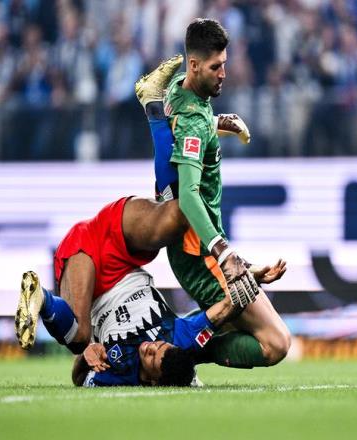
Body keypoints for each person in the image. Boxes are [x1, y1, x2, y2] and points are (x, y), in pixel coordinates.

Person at [135, 18, 291, 368]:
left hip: (198, 249)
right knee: (275, 344)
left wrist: (218, 122)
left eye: (224, 64)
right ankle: (175, 350)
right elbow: (189, 195)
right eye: (215, 67)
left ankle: (174, 344)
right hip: (201, 255)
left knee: (242, 326)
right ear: (193, 65)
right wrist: (225, 255)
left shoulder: (183, 89)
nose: (223, 73)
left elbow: (181, 129)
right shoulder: (193, 118)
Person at [15, 197, 284, 386]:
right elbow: (226, 307)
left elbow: (79, 378)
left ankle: (41, 298)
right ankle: (171, 158)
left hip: (88, 269)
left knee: (78, 339)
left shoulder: (121, 373)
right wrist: (250, 276)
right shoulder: (181, 339)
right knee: (179, 214)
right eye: (160, 347)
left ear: (153, 381)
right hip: (123, 251)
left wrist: (86, 357)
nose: (150, 347)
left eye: (152, 357)